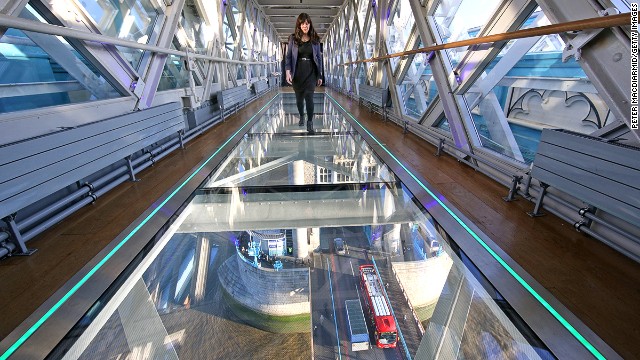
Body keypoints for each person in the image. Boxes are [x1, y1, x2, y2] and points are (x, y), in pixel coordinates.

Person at [285, 13, 323, 134]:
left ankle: (310, 123)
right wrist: (287, 72)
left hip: (311, 72)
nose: (305, 26)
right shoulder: (293, 39)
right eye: (302, 24)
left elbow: (318, 58)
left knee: (309, 98)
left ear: (310, 24)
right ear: (299, 25)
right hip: (298, 72)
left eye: (307, 23)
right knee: (299, 100)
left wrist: (319, 75)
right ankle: (302, 115)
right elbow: (289, 57)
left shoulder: (315, 39)